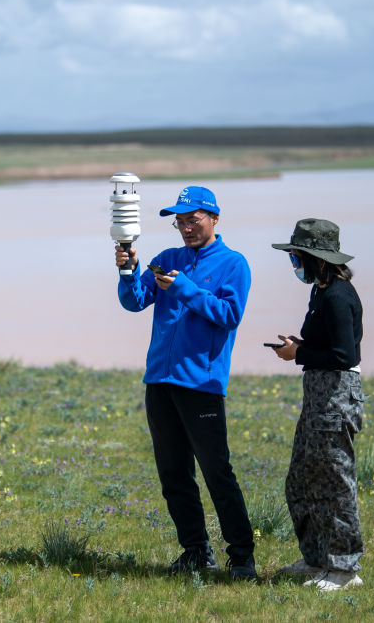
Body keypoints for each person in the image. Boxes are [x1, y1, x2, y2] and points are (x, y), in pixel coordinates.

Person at [115, 185, 257, 581]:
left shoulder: (234, 264)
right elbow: (134, 301)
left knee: (217, 471)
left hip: (202, 384)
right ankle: (196, 551)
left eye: (193, 220)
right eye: (180, 222)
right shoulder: (167, 259)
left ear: (214, 218)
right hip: (159, 381)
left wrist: (183, 289)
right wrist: (128, 269)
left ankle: (242, 557)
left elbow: (229, 315)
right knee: (174, 474)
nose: (186, 228)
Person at [270, 218, 365, 592]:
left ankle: (344, 570)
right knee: (302, 479)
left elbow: (344, 354)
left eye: (296, 256)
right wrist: (299, 344)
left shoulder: (340, 295)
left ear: (317, 258)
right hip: (318, 397)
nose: (293, 263)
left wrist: (298, 353)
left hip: (337, 396)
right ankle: (315, 560)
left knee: (335, 484)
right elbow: (323, 344)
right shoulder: (321, 292)